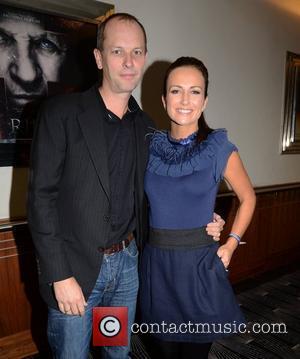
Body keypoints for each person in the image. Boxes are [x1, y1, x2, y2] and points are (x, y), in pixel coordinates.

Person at [28, 14, 224, 358]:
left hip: (125, 273)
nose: (129, 61)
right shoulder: (61, 113)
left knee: (115, 354)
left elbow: (160, 195)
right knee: (71, 355)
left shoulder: (148, 128)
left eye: (137, 51)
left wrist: (206, 219)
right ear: (99, 57)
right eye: (118, 51)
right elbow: (41, 199)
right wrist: (59, 274)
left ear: (145, 57)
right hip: (74, 273)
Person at [140, 57, 256, 359]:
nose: (185, 100)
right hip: (157, 268)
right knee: (162, 353)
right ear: (165, 100)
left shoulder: (218, 149)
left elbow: (248, 197)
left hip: (198, 268)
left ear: (204, 100)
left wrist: (230, 244)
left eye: (195, 91)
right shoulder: (149, 147)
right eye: (176, 91)